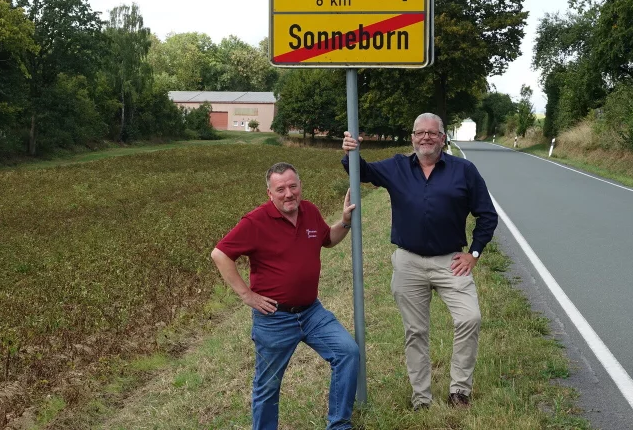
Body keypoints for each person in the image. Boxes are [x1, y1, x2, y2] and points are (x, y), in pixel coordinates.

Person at [341, 113, 498, 411]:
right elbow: (359, 172)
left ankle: (459, 390)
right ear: (412, 137)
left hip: (451, 261)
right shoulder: (397, 166)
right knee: (415, 331)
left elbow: (487, 215)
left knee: (469, 318)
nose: (425, 137)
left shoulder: (463, 170)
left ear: (442, 138)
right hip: (408, 263)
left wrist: (474, 253)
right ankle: (421, 399)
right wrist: (351, 151)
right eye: (419, 132)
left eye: (432, 133)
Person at [211, 162, 360, 430]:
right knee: (268, 386)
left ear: (300, 186)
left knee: (348, 352)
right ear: (270, 193)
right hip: (274, 318)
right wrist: (247, 295)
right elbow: (220, 254)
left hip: (312, 312)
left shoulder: (310, 211)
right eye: (281, 189)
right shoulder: (255, 221)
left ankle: (339, 425)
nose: (288, 194)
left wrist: (345, 222)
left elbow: (327, 239)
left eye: (293, 186)